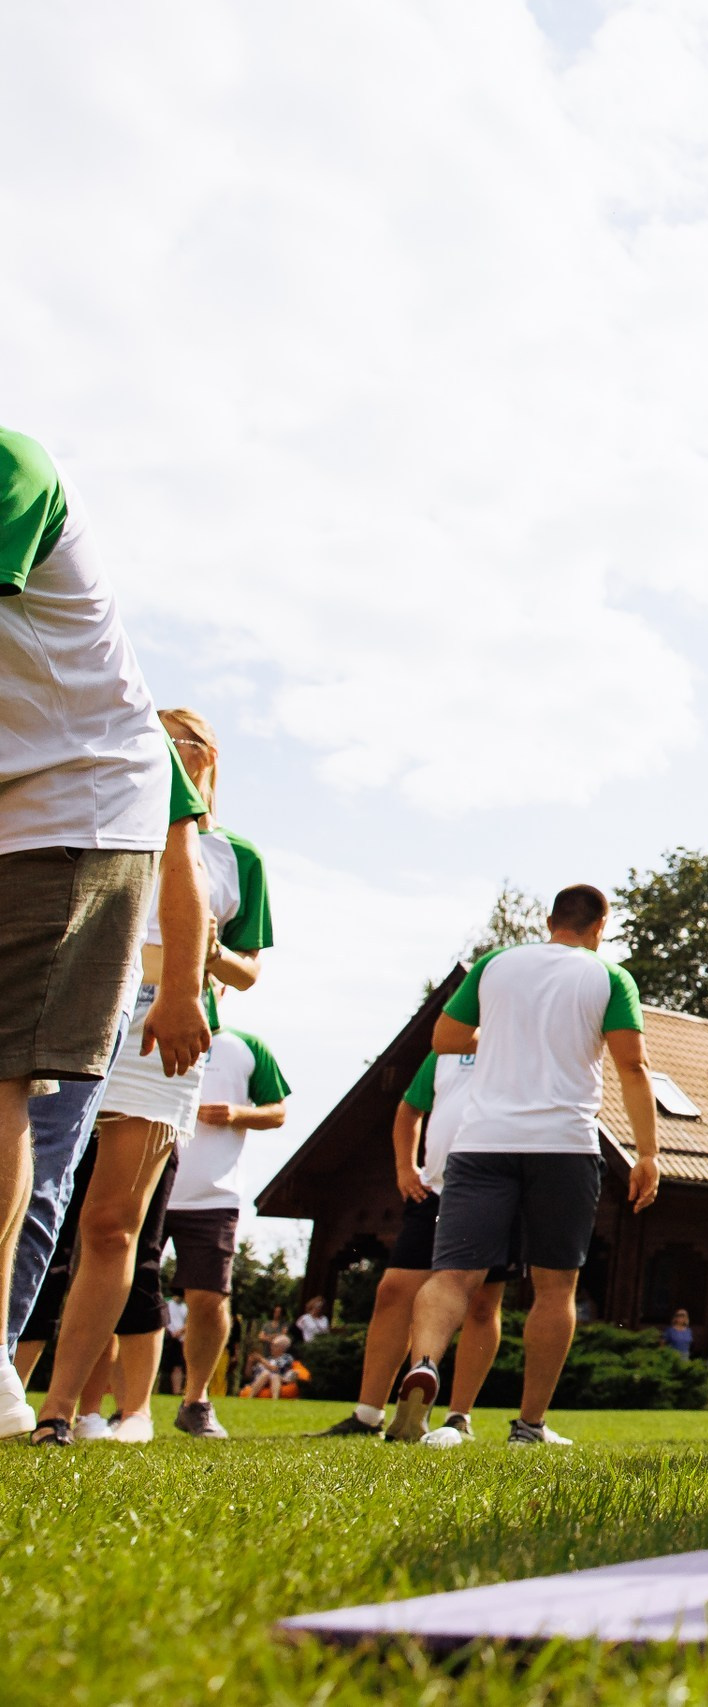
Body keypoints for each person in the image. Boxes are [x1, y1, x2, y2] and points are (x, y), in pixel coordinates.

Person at [0, 428, 207, 1439]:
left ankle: (27, 1381)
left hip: (73, 842)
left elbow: (187, 889)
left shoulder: (8, 462)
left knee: (53, 1150)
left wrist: (181, 992)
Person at [388, 884, 660, 1447]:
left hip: (482, 1141)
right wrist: (648, 1153)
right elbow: (632, 1066)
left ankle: (426, 1364)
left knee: (453, 1276)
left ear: (549, 920)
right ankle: (529, 1425)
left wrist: (499, 1031)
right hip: (563, 1144)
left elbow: (445, 1039)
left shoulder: (495, 964)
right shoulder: (609, 978)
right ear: (600, 926)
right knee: (555, 1286)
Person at [313, 1043, 511, 1444]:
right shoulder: (445, 1048)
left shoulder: (521, 1038)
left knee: (483, 1301)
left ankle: (458, 1417)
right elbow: (409, 1110)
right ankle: (368, 1414)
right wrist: (405, 1167)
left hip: (498, 1191)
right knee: (394, 1291)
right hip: (435, 1193)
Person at [155, 1027, 289, 1439]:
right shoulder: (150, 1025)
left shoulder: (248, 1046)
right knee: (124, 1293)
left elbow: (277, 1112)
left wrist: (236, 1114)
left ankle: (195, 1402)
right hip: (146, 1184)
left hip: (213, 1194)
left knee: (209, 1298)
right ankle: (116, 1409)